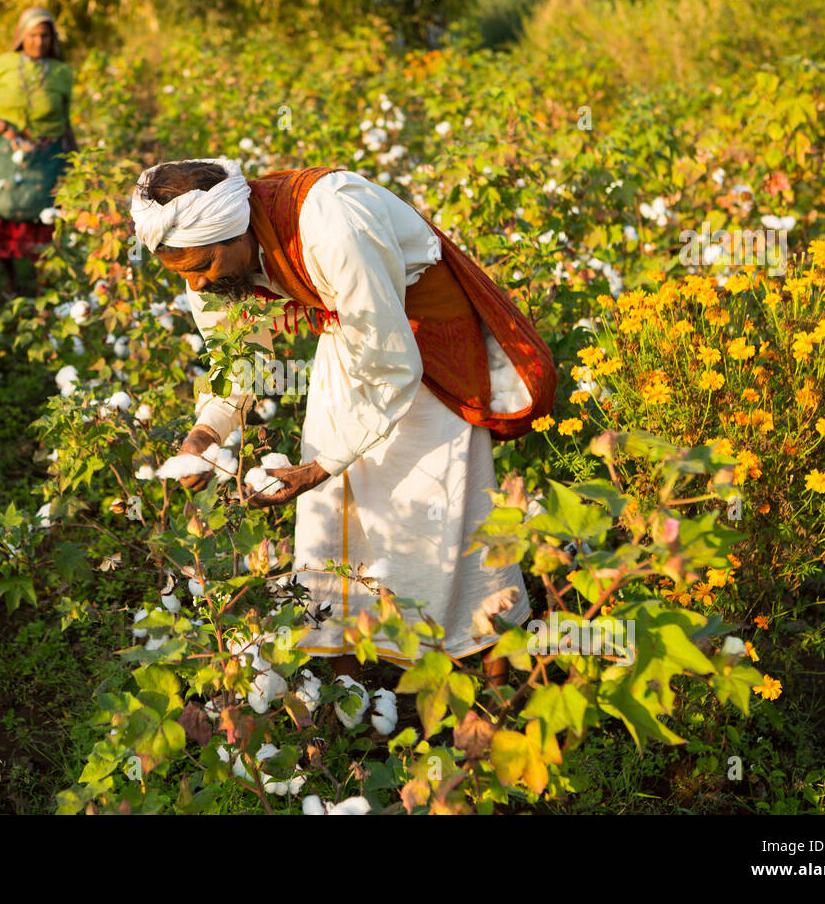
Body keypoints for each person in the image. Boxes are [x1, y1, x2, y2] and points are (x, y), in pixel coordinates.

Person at [130, 158, 557, 681]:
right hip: (350, 338)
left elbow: (393, 363)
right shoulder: (212, 258)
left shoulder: (331, 223)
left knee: (431, 509)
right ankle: (363, 658)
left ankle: (480, 661)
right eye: (184, 274)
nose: (197, 283)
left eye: (203, 267)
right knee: (338, 511)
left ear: (234, 231)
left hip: (425, 346)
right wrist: (204, 436)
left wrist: (317, 468)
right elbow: (239, 360)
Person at [0, 6, 79, 297]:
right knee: (3, 216)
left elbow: (65, 119)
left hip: (47, 157)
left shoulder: (61, 72)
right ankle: (10, 280)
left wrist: (77, 160)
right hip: (6, 155)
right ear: (21, 35)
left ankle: (41, 286)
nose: (38, 42)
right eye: (33, 35)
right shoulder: (1, 64)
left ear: (52, 39)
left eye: (45, 36)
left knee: (43, 219)